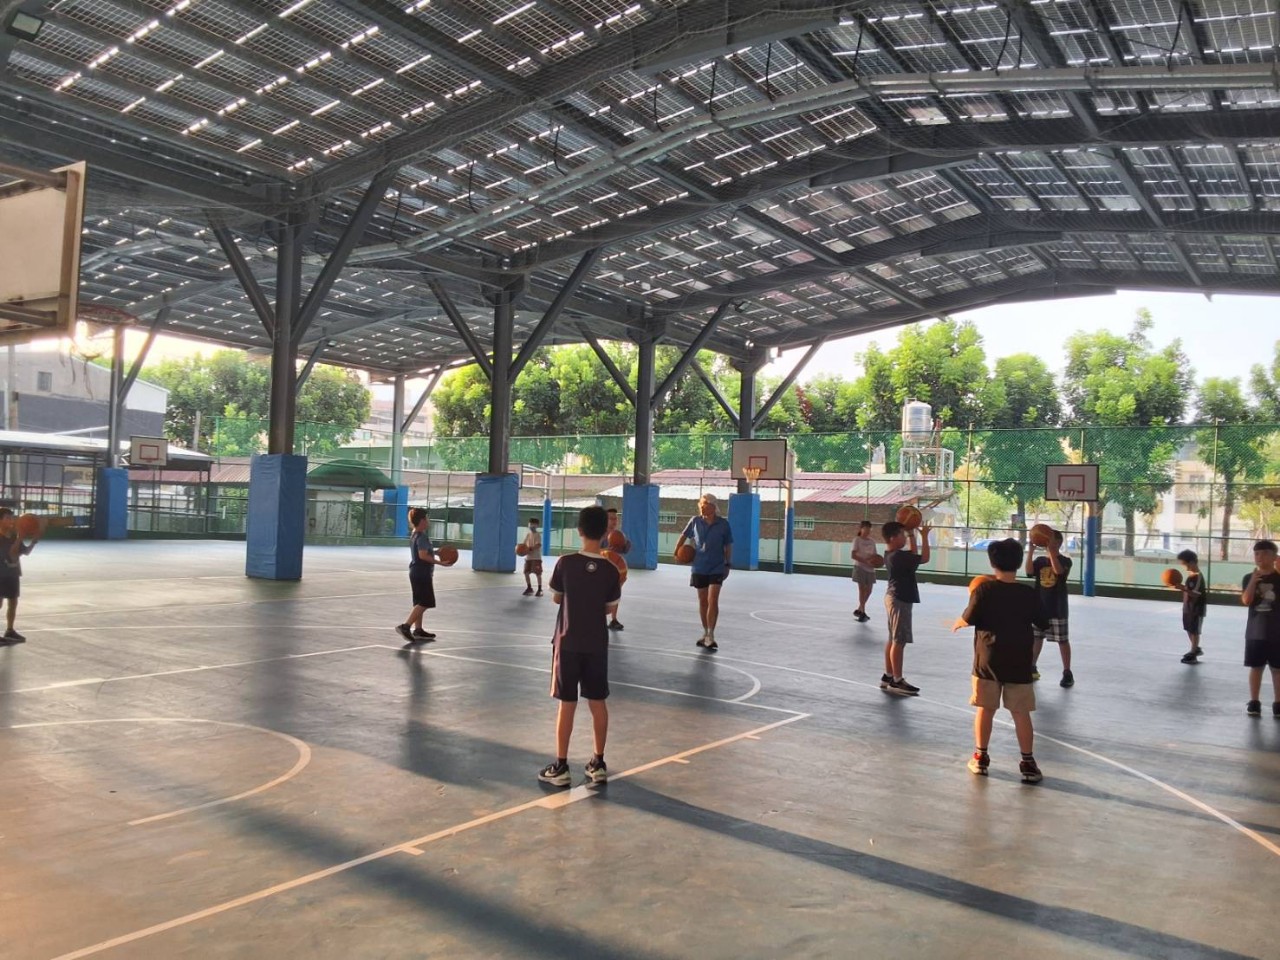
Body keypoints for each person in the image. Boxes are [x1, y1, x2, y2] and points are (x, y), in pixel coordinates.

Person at [952, 538, 1049, 783]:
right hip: (1019, 660)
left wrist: (958, 622)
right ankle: (1028, 763)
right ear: (1018, 563)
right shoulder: (1028, 593)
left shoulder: (984, 590)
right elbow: (1043, 622)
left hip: (988, 660)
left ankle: (980, 757)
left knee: (985, 709)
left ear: (992, 563)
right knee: (1021, 713)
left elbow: (968, 617)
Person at [538, 505, 621, 786]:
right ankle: (598, 763)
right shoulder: (611, 570)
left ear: (579, 530)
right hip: (596, 644)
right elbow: (609, 609)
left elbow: (556, 598)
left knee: (567, 703)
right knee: (598, 702)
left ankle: (561, 766)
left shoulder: (565, 563)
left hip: (568, 642)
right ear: (606, 532)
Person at [675, 494, 732, 651]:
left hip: (717, 566)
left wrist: (728, 564)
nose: (702, 506)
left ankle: (711, 634)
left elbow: (728, 545)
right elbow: (683, 536)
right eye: (700, 504)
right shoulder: (695, 521)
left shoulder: (723, 524)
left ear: (713, 506)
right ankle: (705, 632)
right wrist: (677, 551)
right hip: (699, 566)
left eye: (705, 504)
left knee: (713, 599)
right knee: (703, 601)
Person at [880, 518, 930, 696]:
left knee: (893, 639)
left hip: (894, 597)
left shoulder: (892, 554)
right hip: (899, 599)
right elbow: (924, 558)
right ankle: (897, 680)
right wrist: (924, 536)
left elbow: (914, 556)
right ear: (893, 538)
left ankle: (888, 675)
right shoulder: (898, 557)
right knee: (899, 641)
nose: (905, 538)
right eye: (902, 535)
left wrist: (911, 534)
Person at [1026, 529, 1074, 687]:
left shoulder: (1065, 561)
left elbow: (1058, 572)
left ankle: (1067, 672)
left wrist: (1052, 552)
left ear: (1058, 542)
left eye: (1051, 539)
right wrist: (1030, 551)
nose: (1047, 542)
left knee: (1062, 641)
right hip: (1040, 607)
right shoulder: (1040, 561)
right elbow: (1029, 572)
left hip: (1057, 608)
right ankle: (1032, 667)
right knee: (1036, 638)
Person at [1241, 539, 1280, 718]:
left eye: (1265, 553)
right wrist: (1253, 582)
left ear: (1274, 557)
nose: (1260, 557)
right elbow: (1246, 600)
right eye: (1257, 553)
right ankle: (1254, 702)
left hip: (1276, 632)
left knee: (1277, 669)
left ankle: (1278, 703)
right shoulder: (1248, 578)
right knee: (1256, 667)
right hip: (1255, 631)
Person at [396, 507, 439, 643]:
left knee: (419, 602)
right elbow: (423, 556)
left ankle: (418, 630)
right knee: (426, 602)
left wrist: (436, 552)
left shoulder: (415, 534)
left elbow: (423, 551)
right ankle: (405, 626)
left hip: (415, 572)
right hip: (422, 573)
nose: (428, 521)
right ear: (422, 520)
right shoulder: (422, 536)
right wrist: (440, 562)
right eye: (426, 518)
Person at [0, 508, 37, 644]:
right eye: (7, 518)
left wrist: (34, 542)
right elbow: (11, 553)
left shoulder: (14, 536)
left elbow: (25, 552)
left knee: (13, 602)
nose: (11, 520)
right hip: (1, 574)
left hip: (13, 573)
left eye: (12, 517)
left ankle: (10, 630)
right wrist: (20, 537)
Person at [1176, 549, 1206, 664]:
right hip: (1188, 608)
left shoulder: (1198, 577)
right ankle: (1195, 648)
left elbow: (1195, 594)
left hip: (1196, 609)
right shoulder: (1191, 576)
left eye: (1185, 564)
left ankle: (1193, 653)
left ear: (1192, 562)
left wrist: (1183, 588)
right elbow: (1189, 591)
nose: (1184, 567)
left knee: (1194, 631)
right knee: (1189, 629)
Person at [604, 507, 631, 630]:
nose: (614, 521)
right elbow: (593, 550)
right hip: (602, 570)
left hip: (616, 569)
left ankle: (614, 619)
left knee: (616, 593)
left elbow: (626, 549)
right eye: (611, 518)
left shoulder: (619, 535)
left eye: (615, 518)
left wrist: (624, 545)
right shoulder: (599, 535)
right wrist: (607, 550)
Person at [850, 519, 880, 622]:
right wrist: (865, 561)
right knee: (862, 590)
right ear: (861, 529)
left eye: (869, 529)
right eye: (866, 528)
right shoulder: (857, 540)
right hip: (860, 567)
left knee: (869, 590)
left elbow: (875, 555)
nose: (868, 531)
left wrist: (876, 562)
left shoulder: (872, 541)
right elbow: (853, 555)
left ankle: (859, 609)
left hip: (870, 569)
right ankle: (862, 612)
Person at [521, 517, 543, 597]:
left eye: (533, 524)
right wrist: (520, 550)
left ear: (537, 525)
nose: (531, 526)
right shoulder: (528, 534)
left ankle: (540, 589)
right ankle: (529, 588)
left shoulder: (537, 535)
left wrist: (530, 549)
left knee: (538, 573)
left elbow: (538, 545)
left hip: (536, 558)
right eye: (530, 524)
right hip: (528, 558)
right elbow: (523, 545)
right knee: (526, 572)